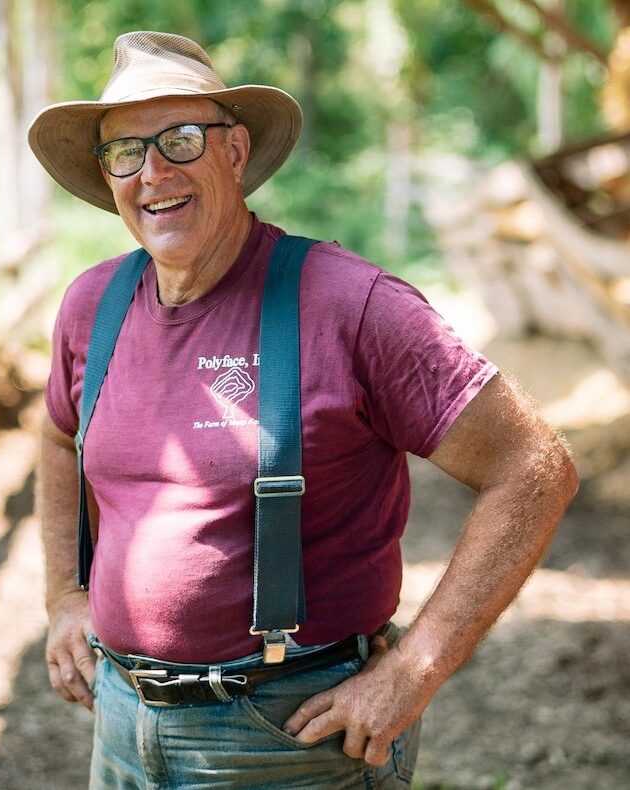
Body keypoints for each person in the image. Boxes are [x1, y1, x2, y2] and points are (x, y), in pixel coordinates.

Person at [29, 30, 578, 789]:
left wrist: (414, 670)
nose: (153, 171)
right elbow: (59, 438)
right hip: (121, 720)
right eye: (126, 151)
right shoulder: (94, 304)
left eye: (181, 140)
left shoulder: (351, 304)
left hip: (287, 739)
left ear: (235, 151)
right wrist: (64, 594)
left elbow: (533, 467)